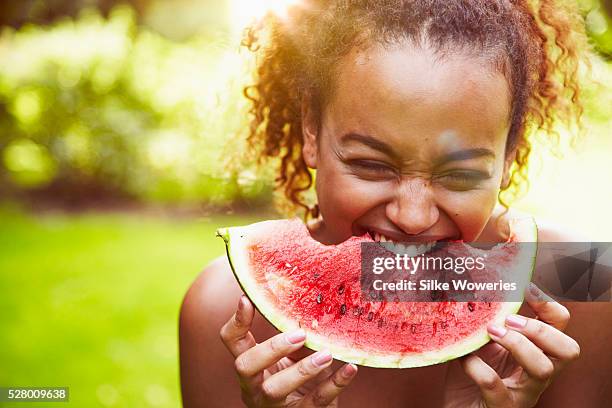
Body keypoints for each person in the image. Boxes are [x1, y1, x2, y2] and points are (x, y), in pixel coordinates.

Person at [179, 1, 612, 406]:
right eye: (371, 165)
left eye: (459, 175)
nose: (412, 217)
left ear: (508, 155)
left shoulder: (587, 284)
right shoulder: (225, 312)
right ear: (311, 132)